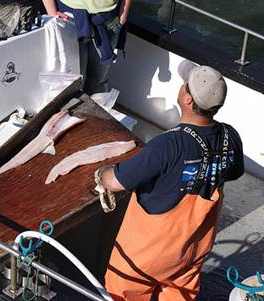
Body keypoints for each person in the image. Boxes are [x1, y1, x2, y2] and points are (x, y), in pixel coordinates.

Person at [97, 60, 244, 301]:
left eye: (185, 84)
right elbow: (234, 172)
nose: (182, 85)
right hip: (192, 250)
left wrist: (102, 172)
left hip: (144, 257)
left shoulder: (168, 144)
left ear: (187, 100)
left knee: (121, 295)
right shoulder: (230, 136)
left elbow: (115, 182)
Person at [42, 0, 132, 94]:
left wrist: (123, 13)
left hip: (109, 20)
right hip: (69, 18)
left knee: (98, 80)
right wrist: (52, 13)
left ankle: (97, 106)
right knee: (73, 81)